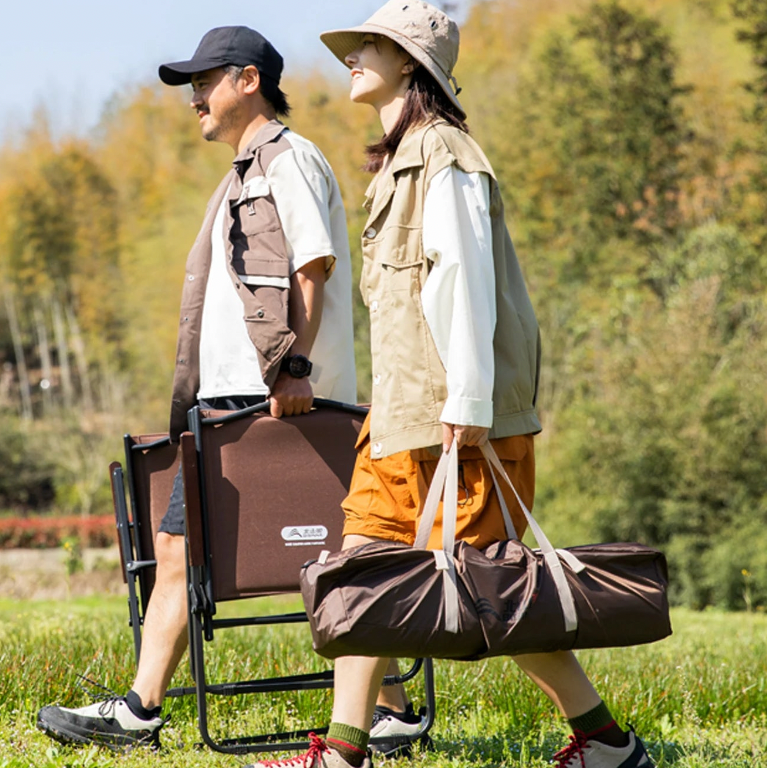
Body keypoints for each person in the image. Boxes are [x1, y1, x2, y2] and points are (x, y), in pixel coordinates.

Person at [243, 3, 656, 768]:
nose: (352, 57)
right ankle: (342, 752)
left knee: (494, 593)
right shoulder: (401, 162)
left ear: (410, 63)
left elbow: (463, 283)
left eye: (370, 46)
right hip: (402, 416)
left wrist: (467, 402)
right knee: (363, 571)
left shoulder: (449, 156)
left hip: (452, 421)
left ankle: (607, 743)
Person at [35, 25, 422, 754]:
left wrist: (295, 368)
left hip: (273, 405)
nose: (193, 100)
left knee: (225, 551)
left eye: (203, 82)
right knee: (227, 550)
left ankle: (140, 710)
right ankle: (392, 710)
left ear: (249, 80)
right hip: (240, 406)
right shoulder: (247, 169)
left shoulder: (288, 159)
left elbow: (312, 265)